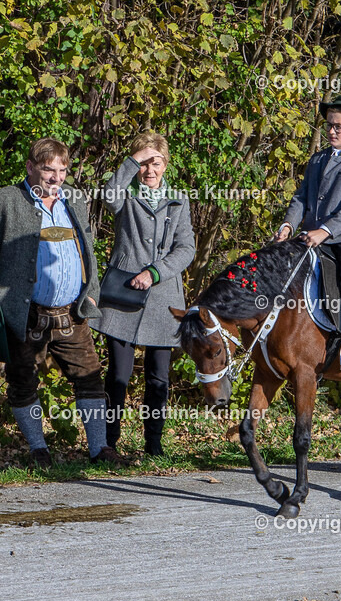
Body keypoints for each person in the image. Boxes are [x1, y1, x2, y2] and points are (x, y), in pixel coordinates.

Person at [0, 137, 114, 467]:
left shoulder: (75, 199)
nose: (56, 177)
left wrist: (90, 290)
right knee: (23, 381)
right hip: (25, 314)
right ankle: (39, 451)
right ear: (31, 167)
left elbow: (87, 247)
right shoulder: (8, 199)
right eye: (48, 169)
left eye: (62, 170)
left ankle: (99, 450)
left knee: (90, 377)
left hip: (72, 313)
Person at [98, 132, 195, 456]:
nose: (149, 170)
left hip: (163, 298)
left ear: (165, 164)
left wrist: (154, 272)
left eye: (155, 162)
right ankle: (107, 443)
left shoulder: (179, 200)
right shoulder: (125, 195)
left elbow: (186, 249)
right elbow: (107, 194)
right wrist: (133, 159)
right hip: (122, 296)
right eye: (143, 163)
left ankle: (153, 445)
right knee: (118, 375)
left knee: (158, 378)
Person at [273, 94, 341, 368]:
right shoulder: (317, 160)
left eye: (338, 126)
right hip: (314, 232)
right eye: (329, 125)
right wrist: (288, 224)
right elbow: (300, 197)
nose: (331, 130)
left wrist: (325, 230)